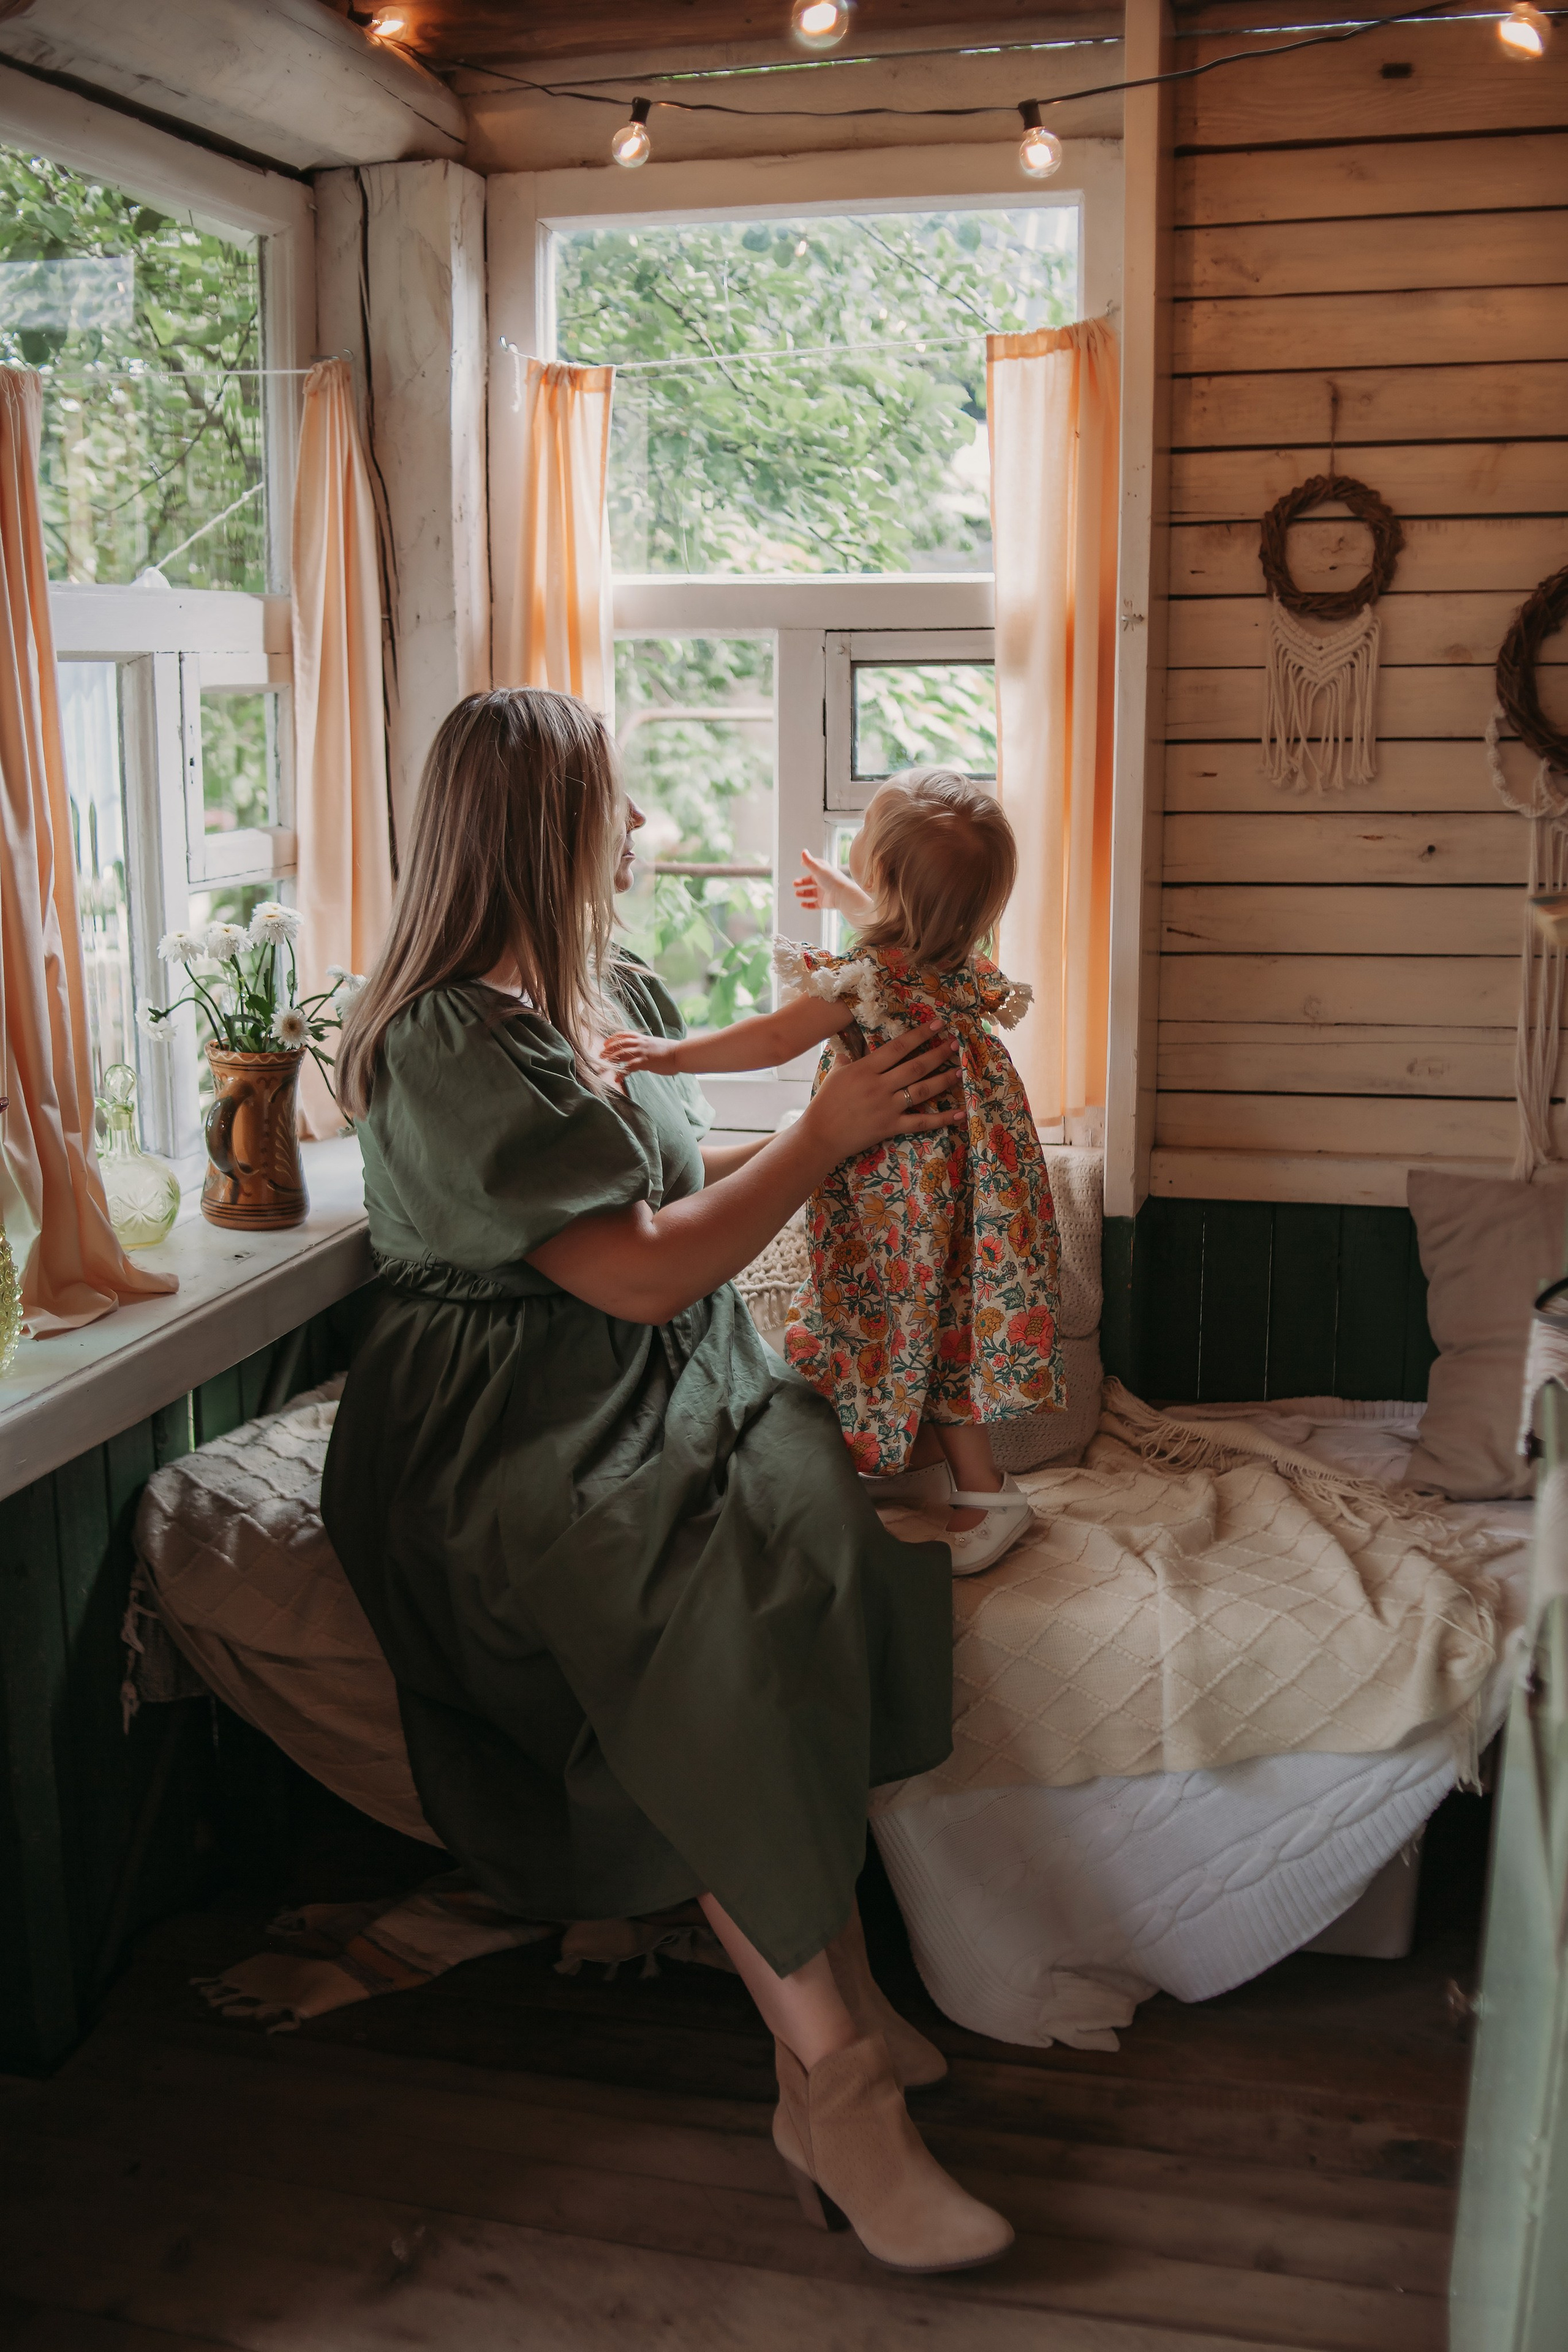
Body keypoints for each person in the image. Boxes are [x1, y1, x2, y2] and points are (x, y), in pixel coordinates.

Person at [323, 689, 1013, 2274]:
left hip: (665, 1367)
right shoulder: (439, 1038)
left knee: (819, 1534)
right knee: (700, 1610)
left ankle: (822, 2016)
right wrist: (827, 1137)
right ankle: (838, 2080)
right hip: (502, 1412)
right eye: (618, 807)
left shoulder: (604, 986)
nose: (643, 833)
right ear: (547, 828)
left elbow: (679, 1219)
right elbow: (630, 1272)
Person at [605, 768, 1066, 1576]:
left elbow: (772, 1040)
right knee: (936, 1328)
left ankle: (986, 1492)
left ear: (889, 886)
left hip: (903, 1207)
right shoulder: (952, 967)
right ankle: (938, 1473)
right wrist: (852, 895)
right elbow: (902, 930)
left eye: (865, 854)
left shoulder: (872, 981)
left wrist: (670, 1053)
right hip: (962, 1202)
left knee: (894, 1322)